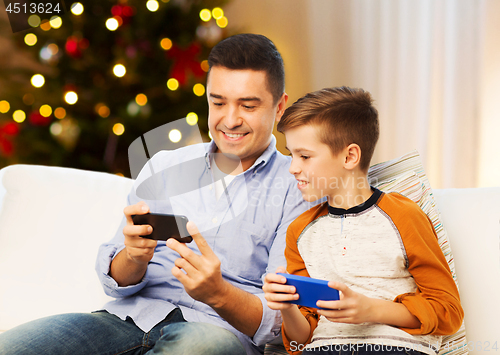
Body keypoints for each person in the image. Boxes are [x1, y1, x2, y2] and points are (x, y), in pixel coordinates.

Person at [0, 34, 314, 355]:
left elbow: (285, 323)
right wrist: (134, 257)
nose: (230, 120)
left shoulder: (299, 187)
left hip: (214, 331)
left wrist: (218, 293)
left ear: (279, 108)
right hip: (128, 318)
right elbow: (115, 279)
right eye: (218, 102)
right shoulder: (166, 164)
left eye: (248, 105)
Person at [262, 87, 464, 355]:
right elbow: (301, 341)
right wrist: (286, 306)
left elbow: (447, 311)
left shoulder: (404, 215)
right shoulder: (300, 232)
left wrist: (370, 309)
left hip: (395, 347)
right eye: (292, 155)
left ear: (349, 156)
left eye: (305, 156)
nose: (293, 168)